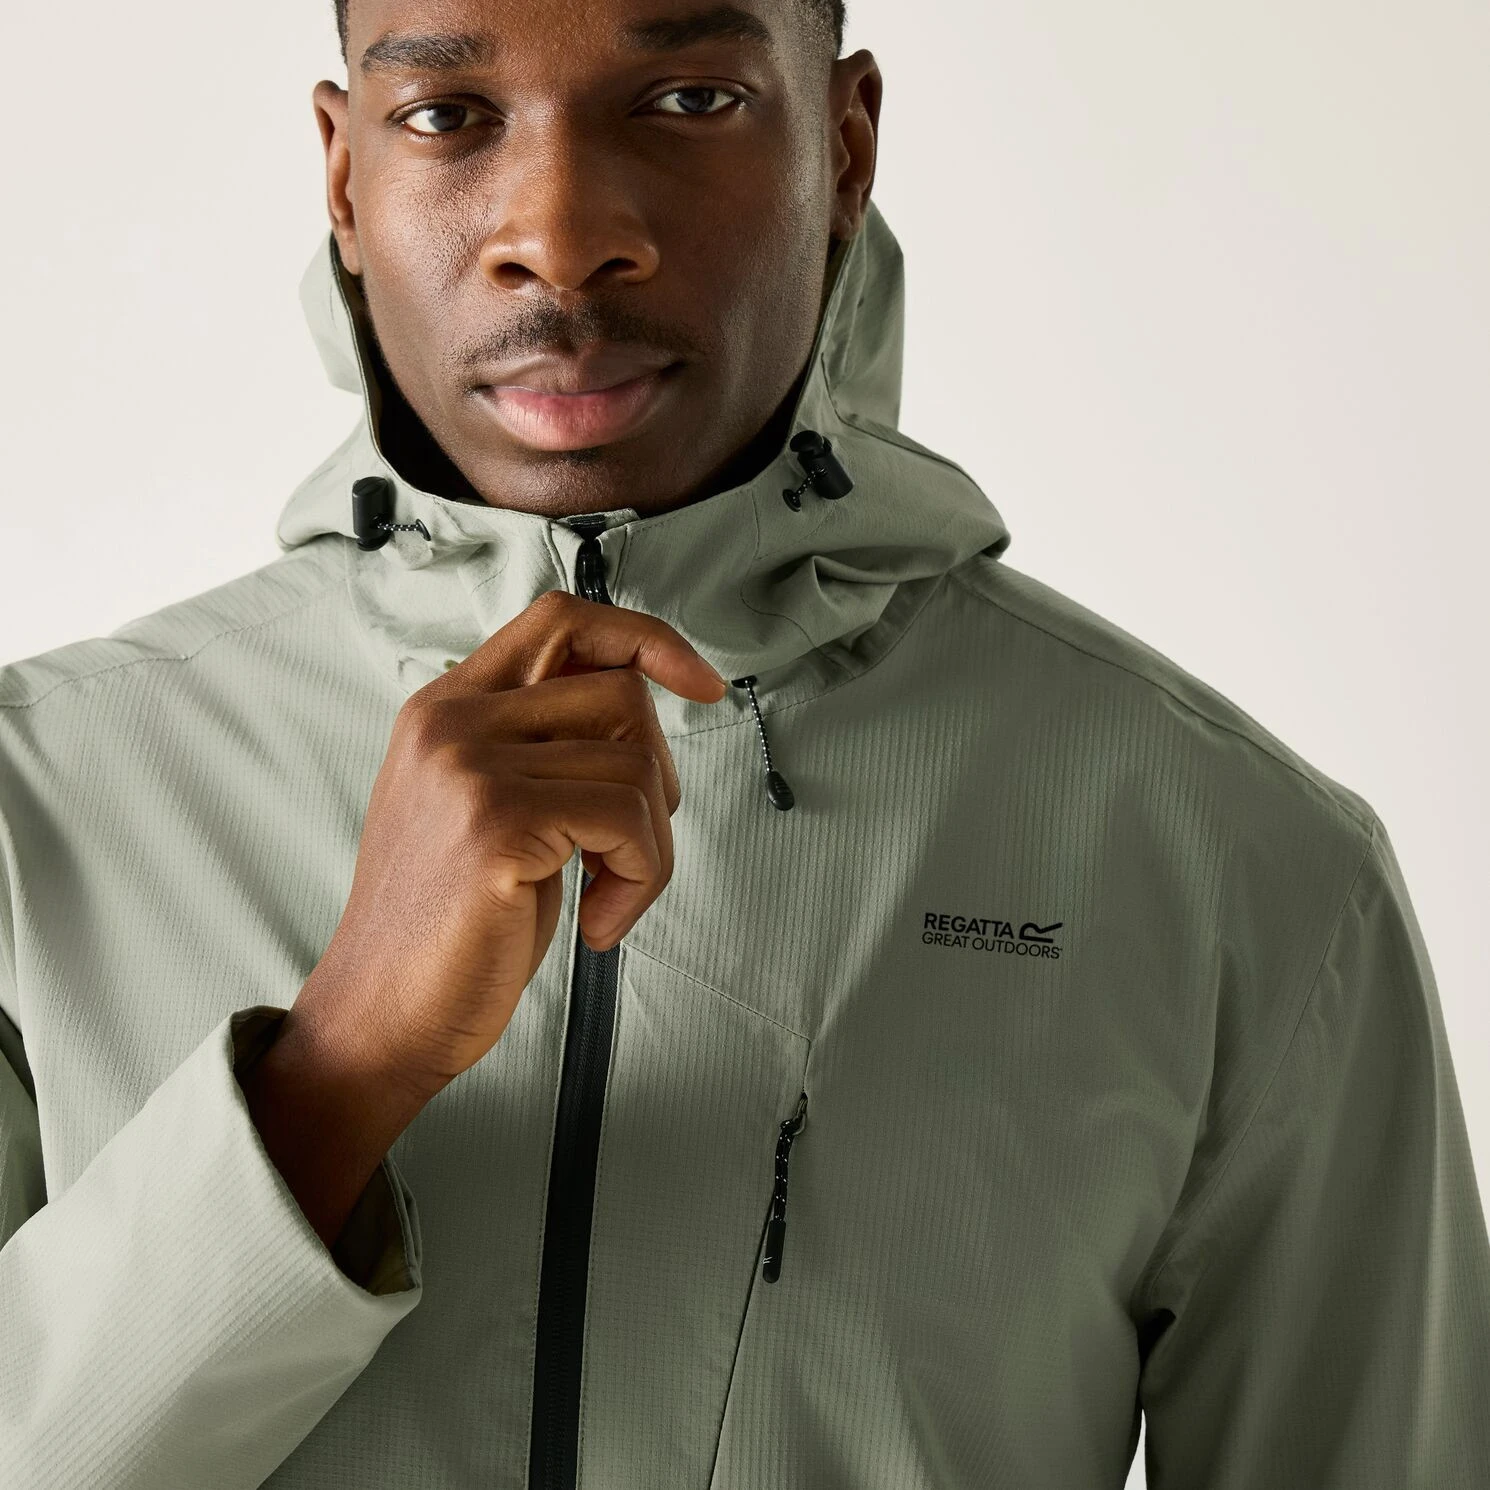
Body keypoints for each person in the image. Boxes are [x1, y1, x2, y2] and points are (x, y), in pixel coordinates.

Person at [1, 0, 1486, 1484]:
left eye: (690, 100)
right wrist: (332, 1075)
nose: (560, 237)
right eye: (448, 117)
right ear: (344, 175)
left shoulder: (1239, 864)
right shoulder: (37, 809)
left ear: (844, 148)